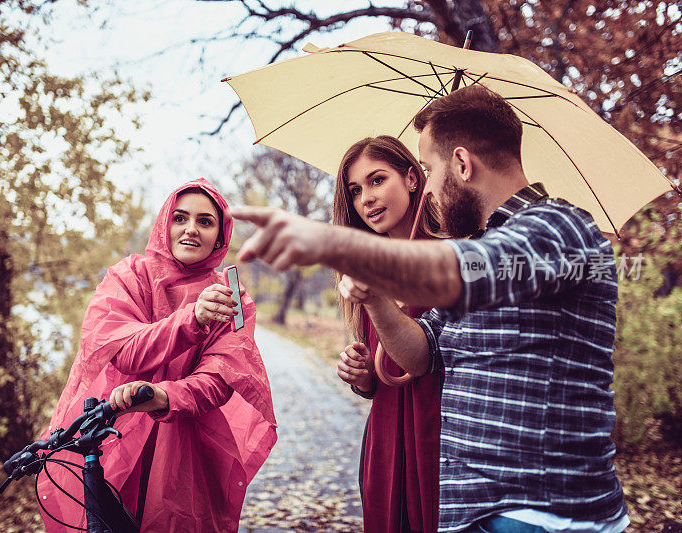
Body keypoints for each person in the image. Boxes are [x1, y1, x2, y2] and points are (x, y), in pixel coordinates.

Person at [231, 86, 628, 532]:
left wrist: (334, 244)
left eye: (428, 169)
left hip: (541, 515)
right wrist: (375, 296)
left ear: (461, 164)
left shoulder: (559, 226)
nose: (430, 187)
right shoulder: (477, 245)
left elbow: (466, 271)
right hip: (470, 512)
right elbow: (421, 354)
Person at [37, 178, 277, 532]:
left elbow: (220, 379)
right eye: (180, 218)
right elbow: (122, 352)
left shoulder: (230, 298)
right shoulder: (127, 276)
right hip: (113, 436)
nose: (190, 230)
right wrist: (192, 318)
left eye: (205, 221)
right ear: (165, 222)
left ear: (221, 236)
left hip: (186, 453)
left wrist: (165, 397)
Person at [332, 135, 442, 532]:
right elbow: (381, 375)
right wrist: (362, 377)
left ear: (413, 178)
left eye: (377, 181)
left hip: (440, 429)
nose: (366, 199)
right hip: (386, 437)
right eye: (356, 190)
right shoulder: (365, 267)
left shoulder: (455, 251)